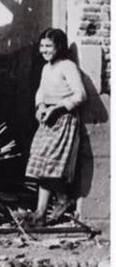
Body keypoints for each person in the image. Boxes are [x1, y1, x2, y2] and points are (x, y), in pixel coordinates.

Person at [24, 28, 87, 226]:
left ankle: (42, 212)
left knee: (49, 163)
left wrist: (58, 109)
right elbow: (41, 91)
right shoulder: (46, 68)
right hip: (48, 118)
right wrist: (40, 107)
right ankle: (55, 202)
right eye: (42, 46)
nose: (44, 50)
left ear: (59, 46)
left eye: (49, 46)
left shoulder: (67, 66)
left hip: (63, 118)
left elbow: (80, 95)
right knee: (41, 160)